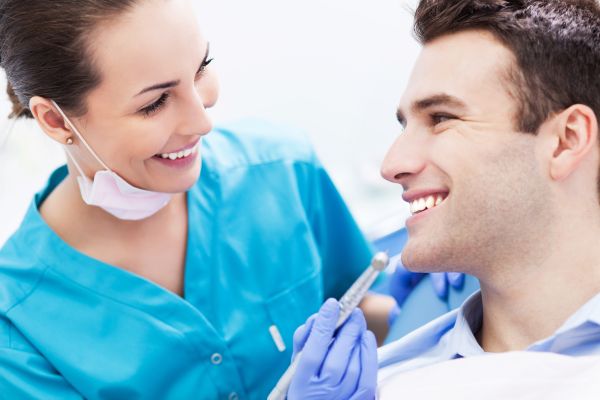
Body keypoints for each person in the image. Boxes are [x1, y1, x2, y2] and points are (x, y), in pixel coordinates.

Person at [0, 0, 419, 398]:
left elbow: (353, 314)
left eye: (201, 69)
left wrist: (425, 303)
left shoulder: (282, 170)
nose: (202, 121)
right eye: (155, 102)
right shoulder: (18, 330)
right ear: (55, 120)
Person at [288, 0, 600, 398]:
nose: (391, 165)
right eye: (405, 125)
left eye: (440, 118)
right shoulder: (383, 383)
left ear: (565, 140)